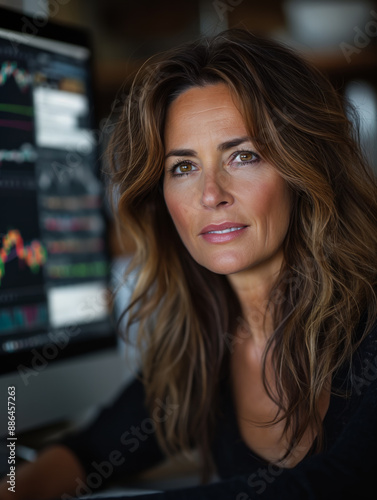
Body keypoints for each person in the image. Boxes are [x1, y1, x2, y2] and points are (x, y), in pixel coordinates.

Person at [1, 27, 377, 500]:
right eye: (183, 167)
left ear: (303, 169)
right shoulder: (206, 341)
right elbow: (90, 452)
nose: (210, 194)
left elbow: (343, 485)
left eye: (242, 156)